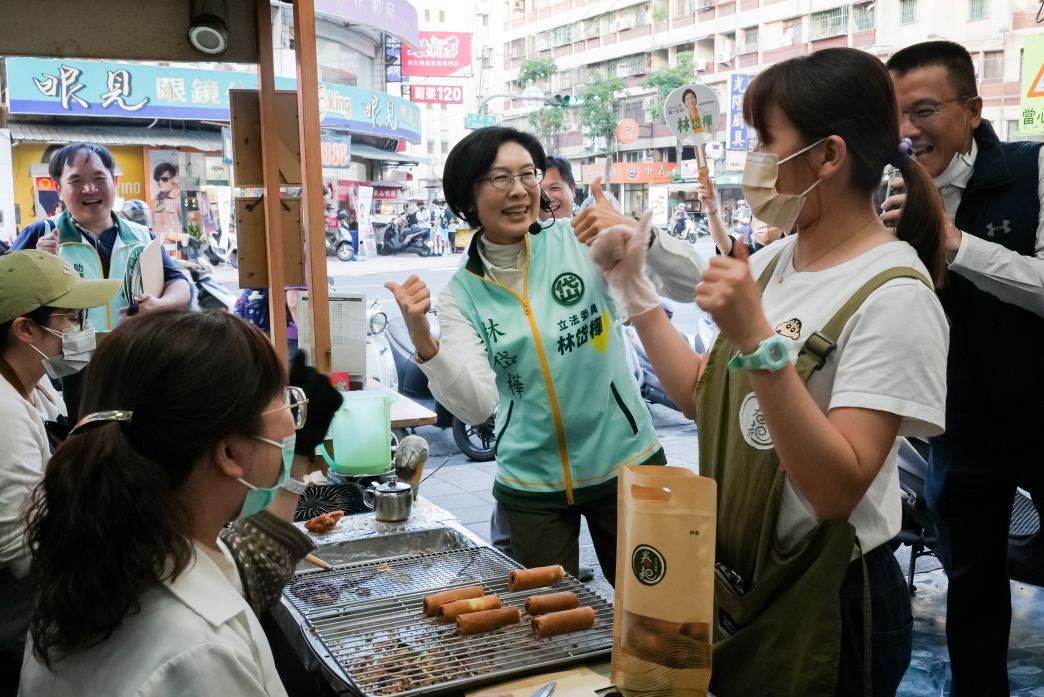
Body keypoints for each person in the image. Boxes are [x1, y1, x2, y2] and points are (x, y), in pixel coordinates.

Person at [591, 48, 949, 696]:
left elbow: (835, 488)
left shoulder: (895, 293)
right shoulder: (771, 262)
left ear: (828, 155)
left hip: (832, 599)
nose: (753, 159)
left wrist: (758, 339)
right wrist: (633, 287)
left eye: (766, 140)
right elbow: (703, 396)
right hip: (744, 580)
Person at [384, 127, 670, 585]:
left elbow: (683, 283)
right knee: (550, 615)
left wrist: (637, 239)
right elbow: (476, 406)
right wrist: (425, 341)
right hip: (532, 485)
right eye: (500, 178)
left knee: (657, 609)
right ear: (468, 198)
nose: (519, 190)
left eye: (527, 175)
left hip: (627, 460)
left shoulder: (579, 240)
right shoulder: (461, 293)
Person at [18, 311, 342, 696]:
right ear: (230, 452)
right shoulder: (200, 657)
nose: (293, 419)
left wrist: (298, 456)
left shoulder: (111, 554)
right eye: (284, 402)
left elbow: (239, 572)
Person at [883, 41, 1044, 697]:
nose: (907, 132)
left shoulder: (1033, 169)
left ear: (974, 109)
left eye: (923, 111)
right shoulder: (889, 196)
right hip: (958, 433)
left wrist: (954, 243)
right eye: (895, 116)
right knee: (972, 594)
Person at [0, 251, 120, 691]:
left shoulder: (37, 384)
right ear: (25, 329)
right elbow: (20, 545)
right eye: (71, 317)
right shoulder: (4, 413)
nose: (80, 329)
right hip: (19, 604)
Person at [13, 143, 192, 327]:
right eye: (76, 181)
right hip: (67, 346)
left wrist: (159, 305)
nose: (89, 189)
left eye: (99, 178)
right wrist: (37, 269)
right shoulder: (39, 233)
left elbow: (177, 282)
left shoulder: (143, 237)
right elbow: (8, 296)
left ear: (114, 182)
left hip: (131, 344)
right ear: (59, 189)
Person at [698, 179, 783, 257]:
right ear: (751, 224)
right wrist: (711, 208)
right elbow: (724, 245)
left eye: (771, 218)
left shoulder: (789, 253)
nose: (766, 224)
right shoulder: (746, 253)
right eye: (760, 218)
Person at [151, 162, 182, 238]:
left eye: (164, 179)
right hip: (157, 242)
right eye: (157, 179)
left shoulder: (179, 197)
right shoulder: (155, 200)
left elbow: (186, 223)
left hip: (175, 242)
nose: (160, 182)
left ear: (172, 179)